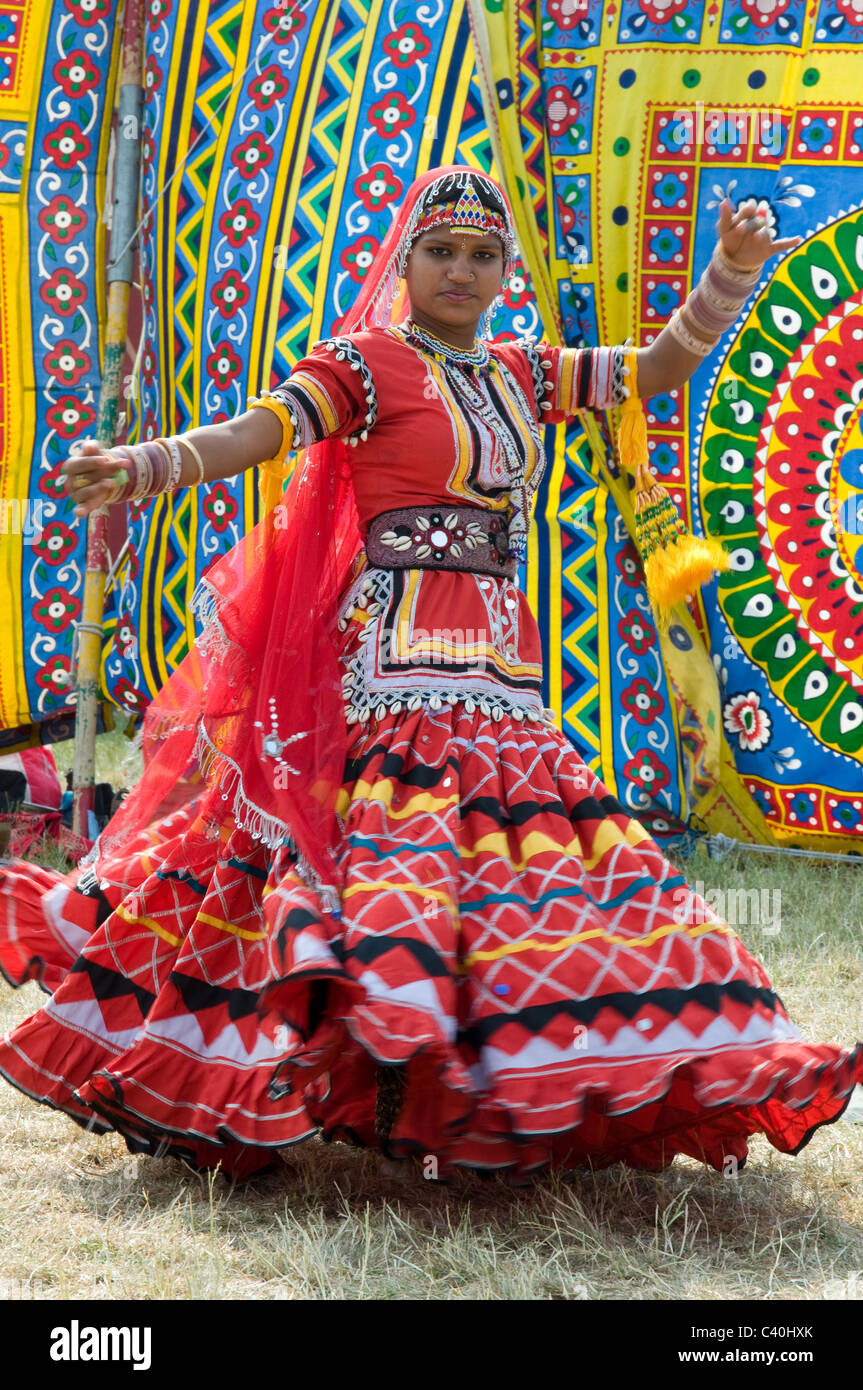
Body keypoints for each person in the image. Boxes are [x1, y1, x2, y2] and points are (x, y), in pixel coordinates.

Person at [0, 165, 859, 1182]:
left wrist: (729, 269)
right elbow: (254, 433)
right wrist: (144, 465)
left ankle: (518, 1075)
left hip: (501, 667)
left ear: (503, 271)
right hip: (393, 671)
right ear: (404, 262)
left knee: (534, 872)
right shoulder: (362, 364)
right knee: (391, 866)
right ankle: (362, 1068)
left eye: (482, 254)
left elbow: (652, 369)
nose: (461, 268)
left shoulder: (521, 372)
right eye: (441, 250)